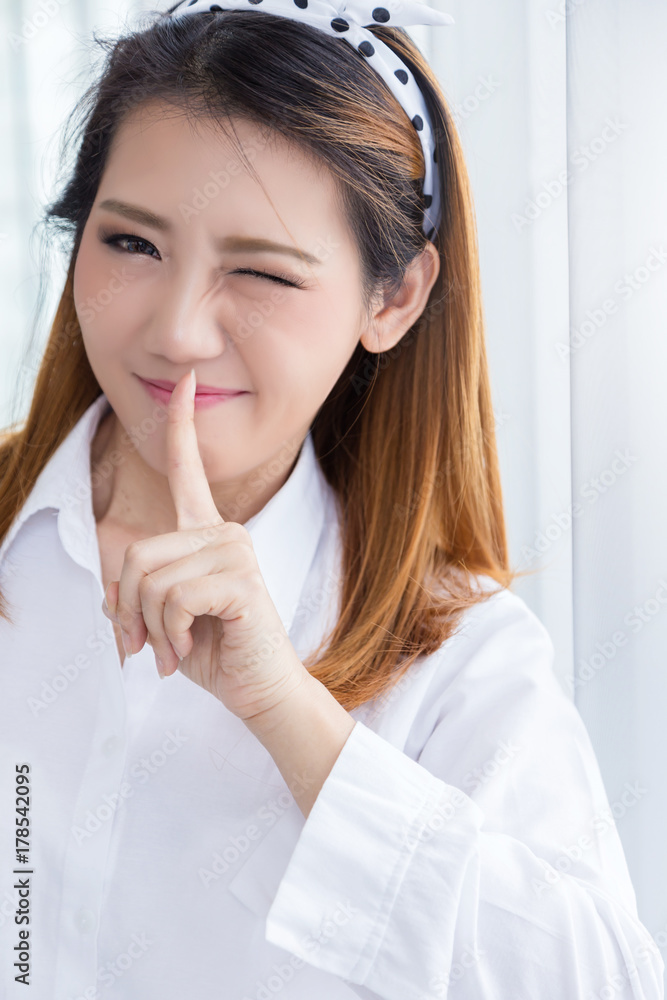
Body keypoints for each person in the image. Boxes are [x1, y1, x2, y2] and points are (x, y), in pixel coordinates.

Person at [0, 2, 663, 998]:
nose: (177, 331)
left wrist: (294, 718)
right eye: (132, 244)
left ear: (391, 299)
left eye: (261, 271)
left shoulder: (457, 651)